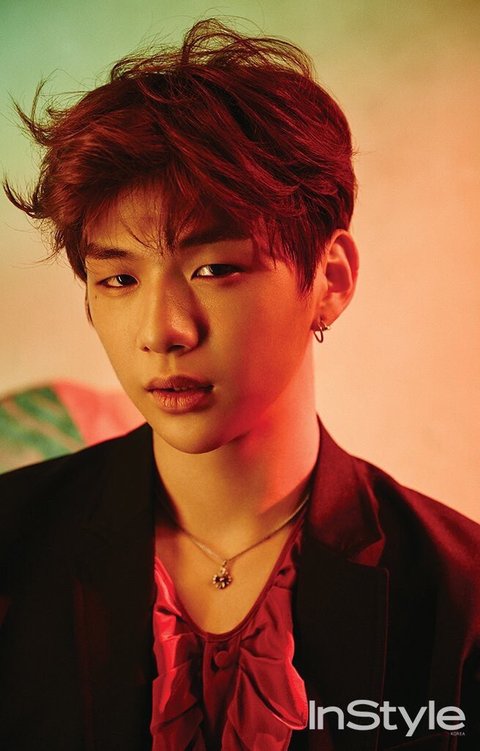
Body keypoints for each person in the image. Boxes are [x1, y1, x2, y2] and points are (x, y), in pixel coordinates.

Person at [0, 18, 479, 751]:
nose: (163, 330)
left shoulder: (459, 595)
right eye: (119, 279)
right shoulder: (13, 543)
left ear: (330, 279)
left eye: (214, 269)